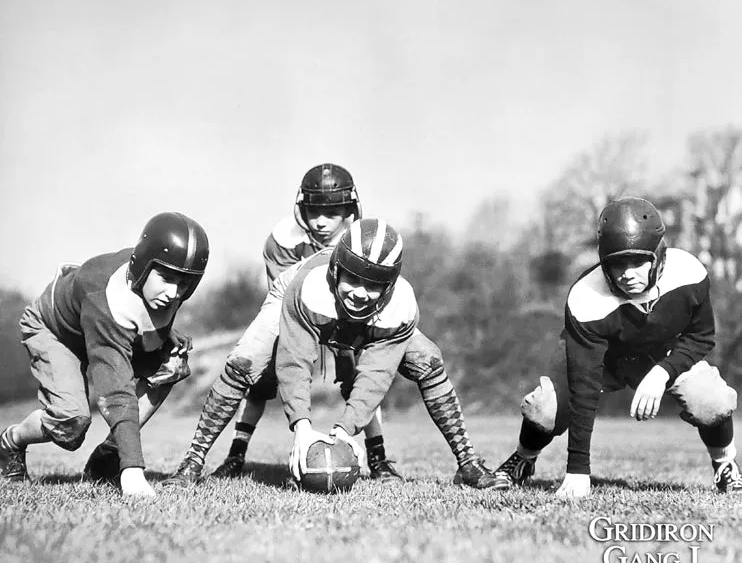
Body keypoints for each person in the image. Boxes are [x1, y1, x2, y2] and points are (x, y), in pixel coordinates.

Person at [165, 164, 494, 488]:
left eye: (375, 284)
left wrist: (345, 429)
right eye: (353, 279)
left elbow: (376, 373)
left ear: (391, 285)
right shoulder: (309, 287)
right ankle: (192, 462)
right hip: (294, 296)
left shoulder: (401, 306)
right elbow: (294, 361)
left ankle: (467, 462)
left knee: (427, 359)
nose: (361, 292)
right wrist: (302, 427)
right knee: (244, 362)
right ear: (337, 269)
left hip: (354, 312)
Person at [488, 196, 740, 497]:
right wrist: (578, 470)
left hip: (662, 355)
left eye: (638, 261)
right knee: (545, 408)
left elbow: (701, 337)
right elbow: (585, 387)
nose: (627, 273)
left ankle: (725, 465)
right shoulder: (586, 298)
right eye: (617, 263)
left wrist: (662, 373)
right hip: (602, 361)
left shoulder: (688, 273)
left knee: (711, 399)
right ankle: (523, 459)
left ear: (659, 256)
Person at [0, 212, 210, 499]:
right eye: (167, 279)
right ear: (143, 264)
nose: (174, 293)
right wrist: (132, 469)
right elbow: (115, 390)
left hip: (93, 332)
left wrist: (166, 339)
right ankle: (11, 442)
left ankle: (107, 456)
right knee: (70, 422)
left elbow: (146, 320)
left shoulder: (159, 283)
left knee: (171, 363)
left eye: (184, 284)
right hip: (57, 331)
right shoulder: (105, 296)